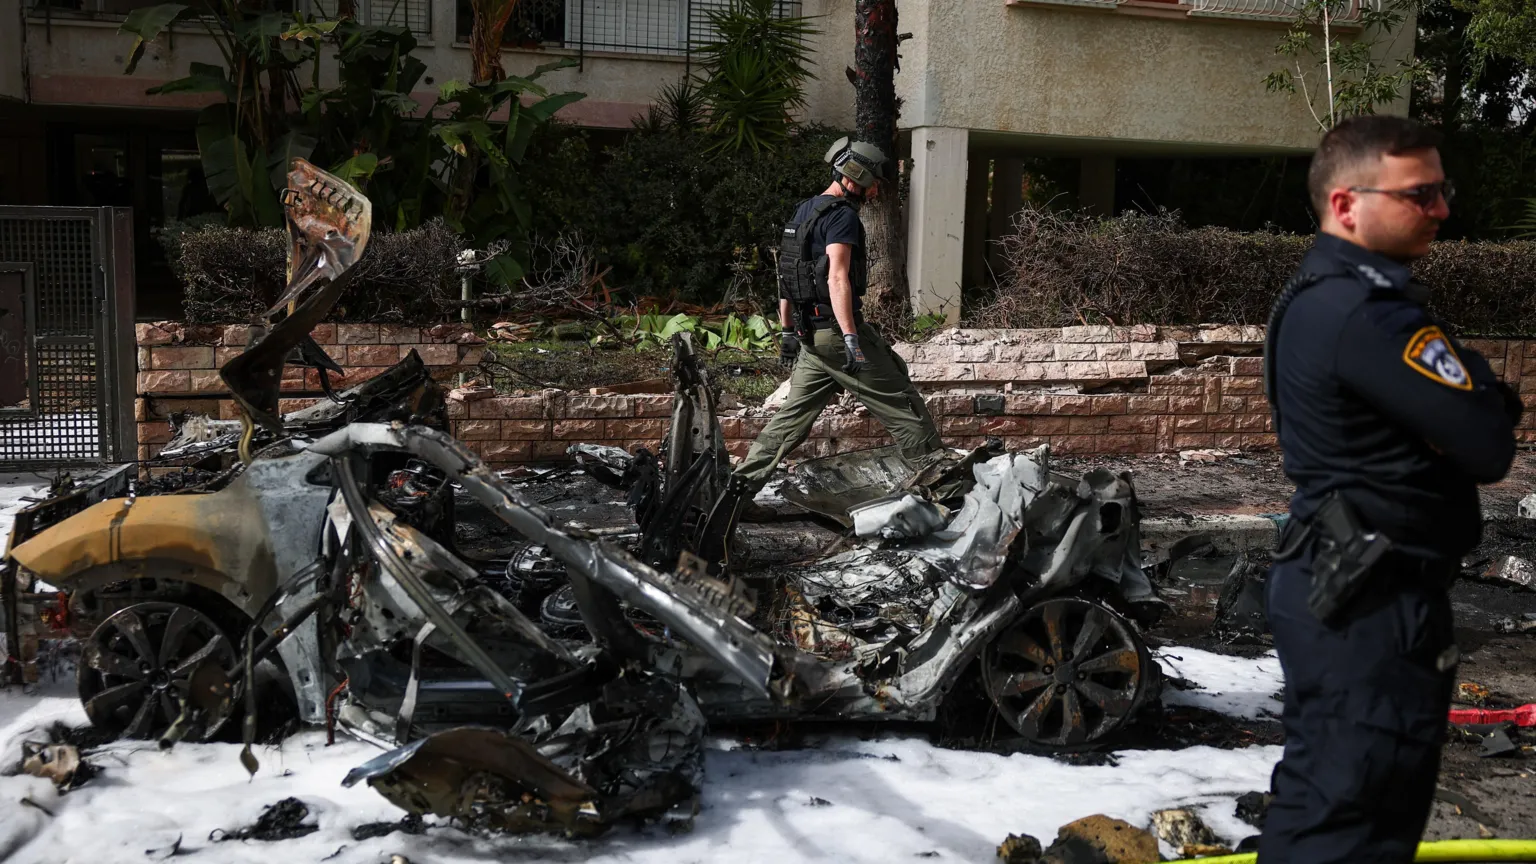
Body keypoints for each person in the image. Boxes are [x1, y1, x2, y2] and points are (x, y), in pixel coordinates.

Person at [1260, 115, 1521, 862]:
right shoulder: (1367, 316)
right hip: (1371, 600)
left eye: (1442, 190)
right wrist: (1478, 395)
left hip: (1343, 579)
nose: (1440, 208)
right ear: (1347, 204)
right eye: (1420, 193)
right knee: (1353, 820)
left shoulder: (1317, 293)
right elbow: (1488, 441)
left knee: (1325, 797)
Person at [731, 138, 942, 512]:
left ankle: (734, 494)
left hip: (809, 338)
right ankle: (945, 487)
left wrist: (786, 331)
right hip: (834, 333)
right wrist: (850, 339)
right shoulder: (842, 215)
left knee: (790, 420)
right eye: (875, 181)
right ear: (856, 175)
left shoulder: (805, 210)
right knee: (901, 403)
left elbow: (788, 275)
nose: (877, 189)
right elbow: (837, 279)